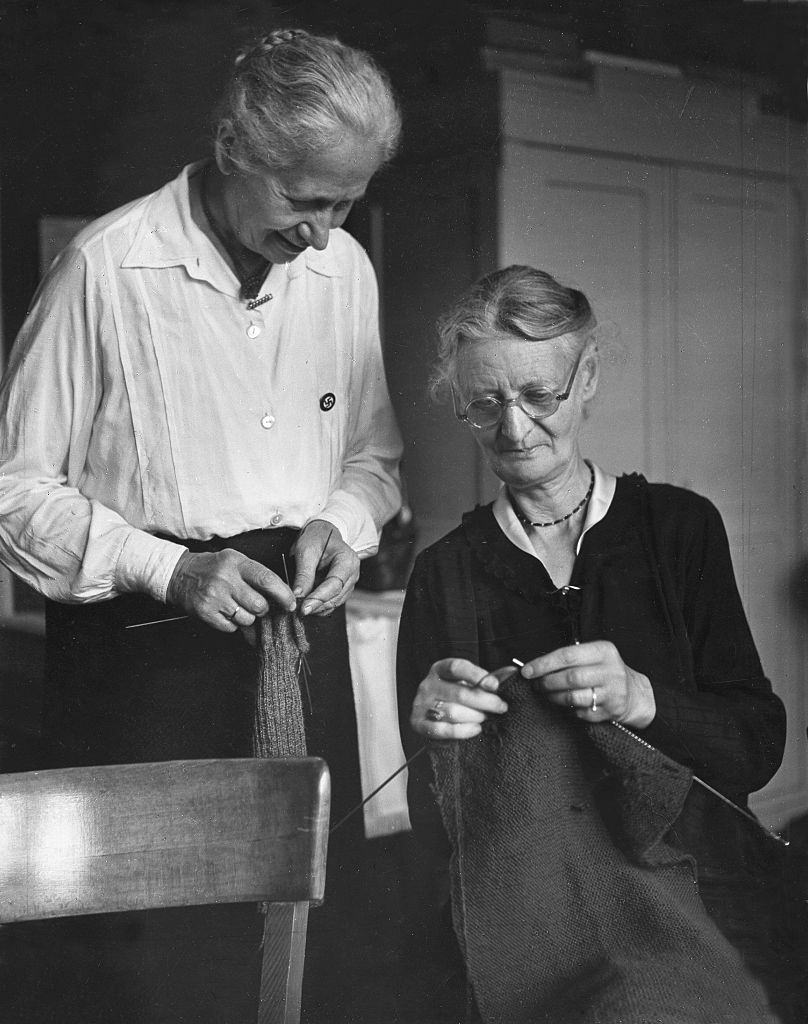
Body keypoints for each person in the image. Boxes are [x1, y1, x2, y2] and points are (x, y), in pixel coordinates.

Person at [0, 27, 402, 1024]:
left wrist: (341, 523)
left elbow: (374, 457)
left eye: (344, 201)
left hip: (294, 643)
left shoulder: (345, 270)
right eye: (303, 198)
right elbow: (12, 490)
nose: (322, 230)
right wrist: (170, 571)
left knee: (305, 922)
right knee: (155, 955)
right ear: (231, 146)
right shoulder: (106, 266)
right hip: (139, 650)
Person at [396, 265, 791, 1023]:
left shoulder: (678, 530)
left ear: (588, 378)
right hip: (529, 916)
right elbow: (435, 824)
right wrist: (436, 738)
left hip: (701, 899)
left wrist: (644, 699)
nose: (513, 430)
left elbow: (757, 746)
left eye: (539, 395)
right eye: (484, 405)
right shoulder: (442, 574)